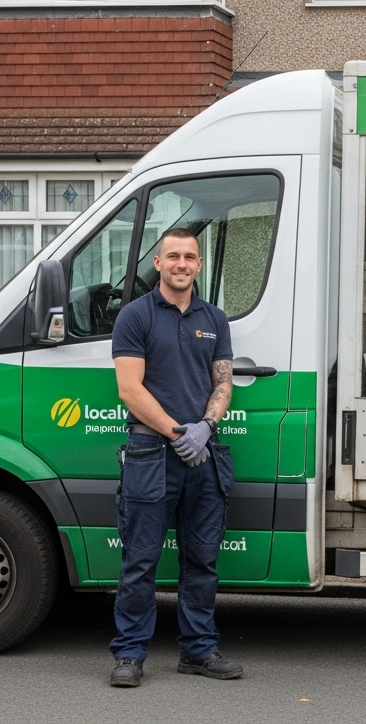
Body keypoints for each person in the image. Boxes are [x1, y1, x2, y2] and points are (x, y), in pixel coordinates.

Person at [107, 228, 243, 687]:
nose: (182, 263)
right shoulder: (135, 316)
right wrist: (177, 432)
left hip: (203, 453)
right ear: (158, 264)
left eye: (190, 256)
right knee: (140, 560)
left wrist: (206, 427)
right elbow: (129, 389)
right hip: (151, 452)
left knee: (202, 560)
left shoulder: (216, 319)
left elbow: (222, 381)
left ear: (199, 265)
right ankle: (129, 654)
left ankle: (199, 651)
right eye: (173, 256)